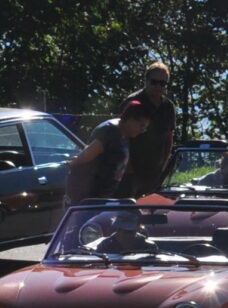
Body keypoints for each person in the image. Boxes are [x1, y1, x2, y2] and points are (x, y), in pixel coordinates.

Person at [64, 99, 151, 210]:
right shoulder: (111, 131)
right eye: (141, 126)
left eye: (145, 128)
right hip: (90, 194)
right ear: (131, 119)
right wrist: (71, 164)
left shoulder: (125, 134)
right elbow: (88, 154)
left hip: (103, 195)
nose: (142, 130)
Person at [119, 61, 178, 195]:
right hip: (130, 169)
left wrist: (164, 165)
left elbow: (169, 137)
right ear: (146, 81)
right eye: (154, 82)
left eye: (162, 83)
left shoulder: (168, 106)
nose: (158, 86)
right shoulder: (133, 102)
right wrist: (128, 168)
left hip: (155, 170)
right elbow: (121, 136)